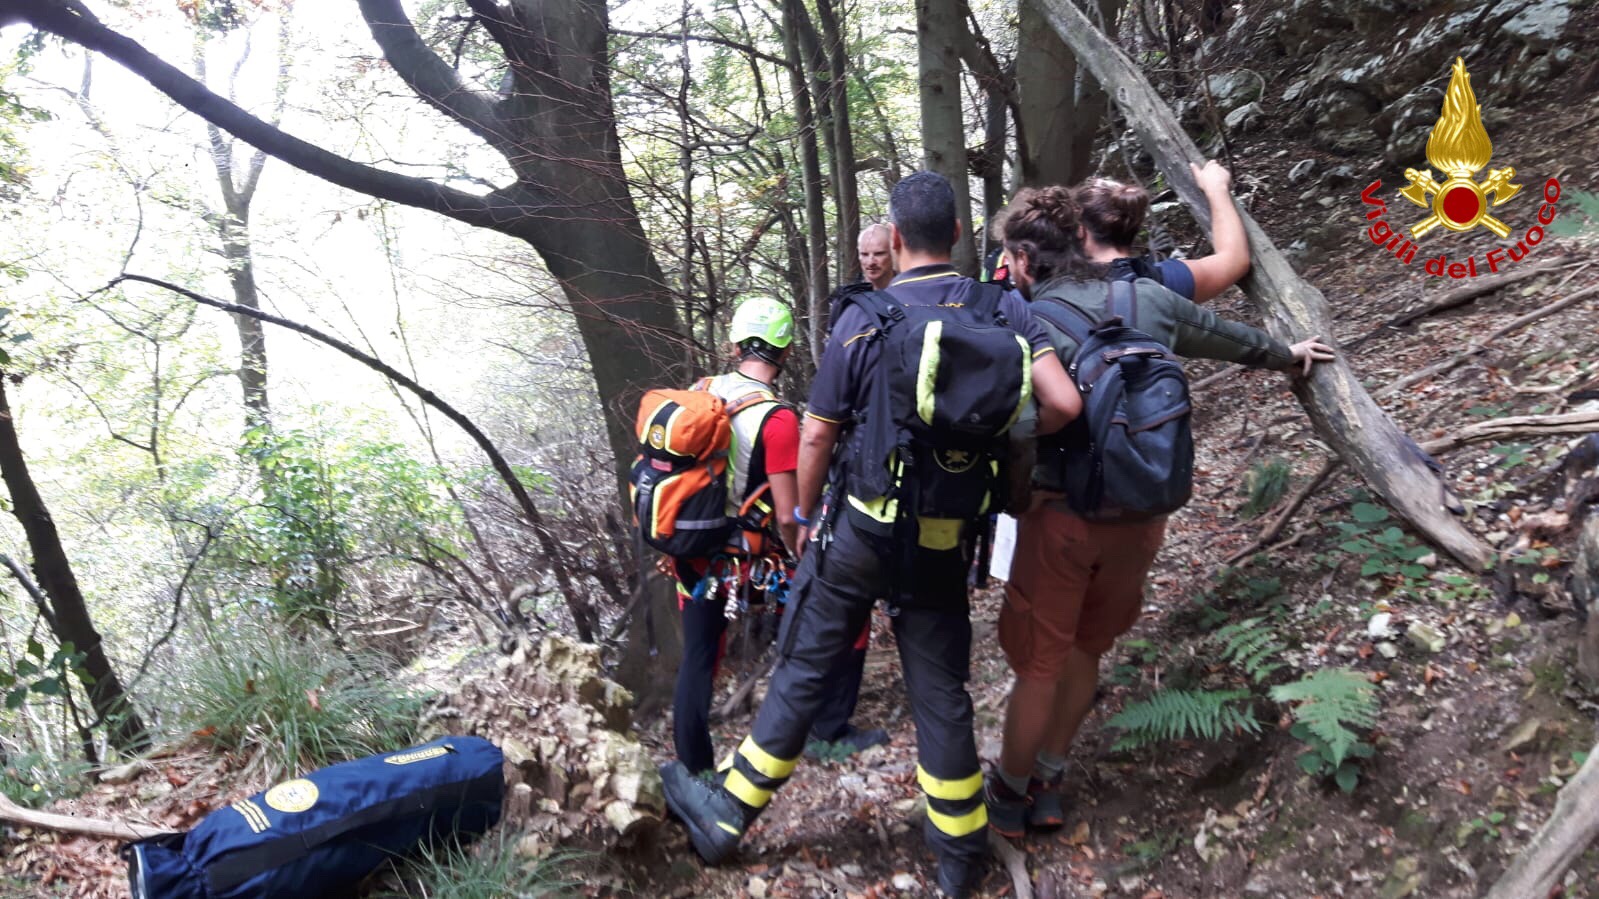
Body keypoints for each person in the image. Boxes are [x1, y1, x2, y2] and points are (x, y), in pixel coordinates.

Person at [660, 172, 1083, 898]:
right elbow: (1063, 404)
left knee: (802, 667)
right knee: (939, 690)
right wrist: (989, 434)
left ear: (892, 238)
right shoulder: (1005, 306)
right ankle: (957, 856)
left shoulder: (865, 316)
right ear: (955, 233)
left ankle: (727, 815)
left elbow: (818, 436)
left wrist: (802, 516)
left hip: (860, 531)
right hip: (945, 539)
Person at [983, 186, 1335, 838]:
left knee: (1039, 665)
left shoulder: (1029, 319)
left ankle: (1007, 792)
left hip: (1061, 517)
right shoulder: (1149, 297)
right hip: (1141, 515)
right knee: (1089, 646)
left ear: (1027, 260)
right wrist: (1290, 355)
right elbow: (1229, 336)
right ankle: (1050, 779)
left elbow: (1012, 423)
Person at [667, 298, 881, 776]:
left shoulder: (699, 390)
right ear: (784, 351)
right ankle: (826, 730)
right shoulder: (777, 417)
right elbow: (788, 514)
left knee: (699, 659)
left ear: (737, 344)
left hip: (692, 552)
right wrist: (803, 551)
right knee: (843, 616)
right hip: (750, 561)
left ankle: (695, 771)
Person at [1075, 160, 1250, 303]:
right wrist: (1216, 188)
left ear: (1080, 231)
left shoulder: (1061, 286)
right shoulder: (1153, 281)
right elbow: (1234, 259)